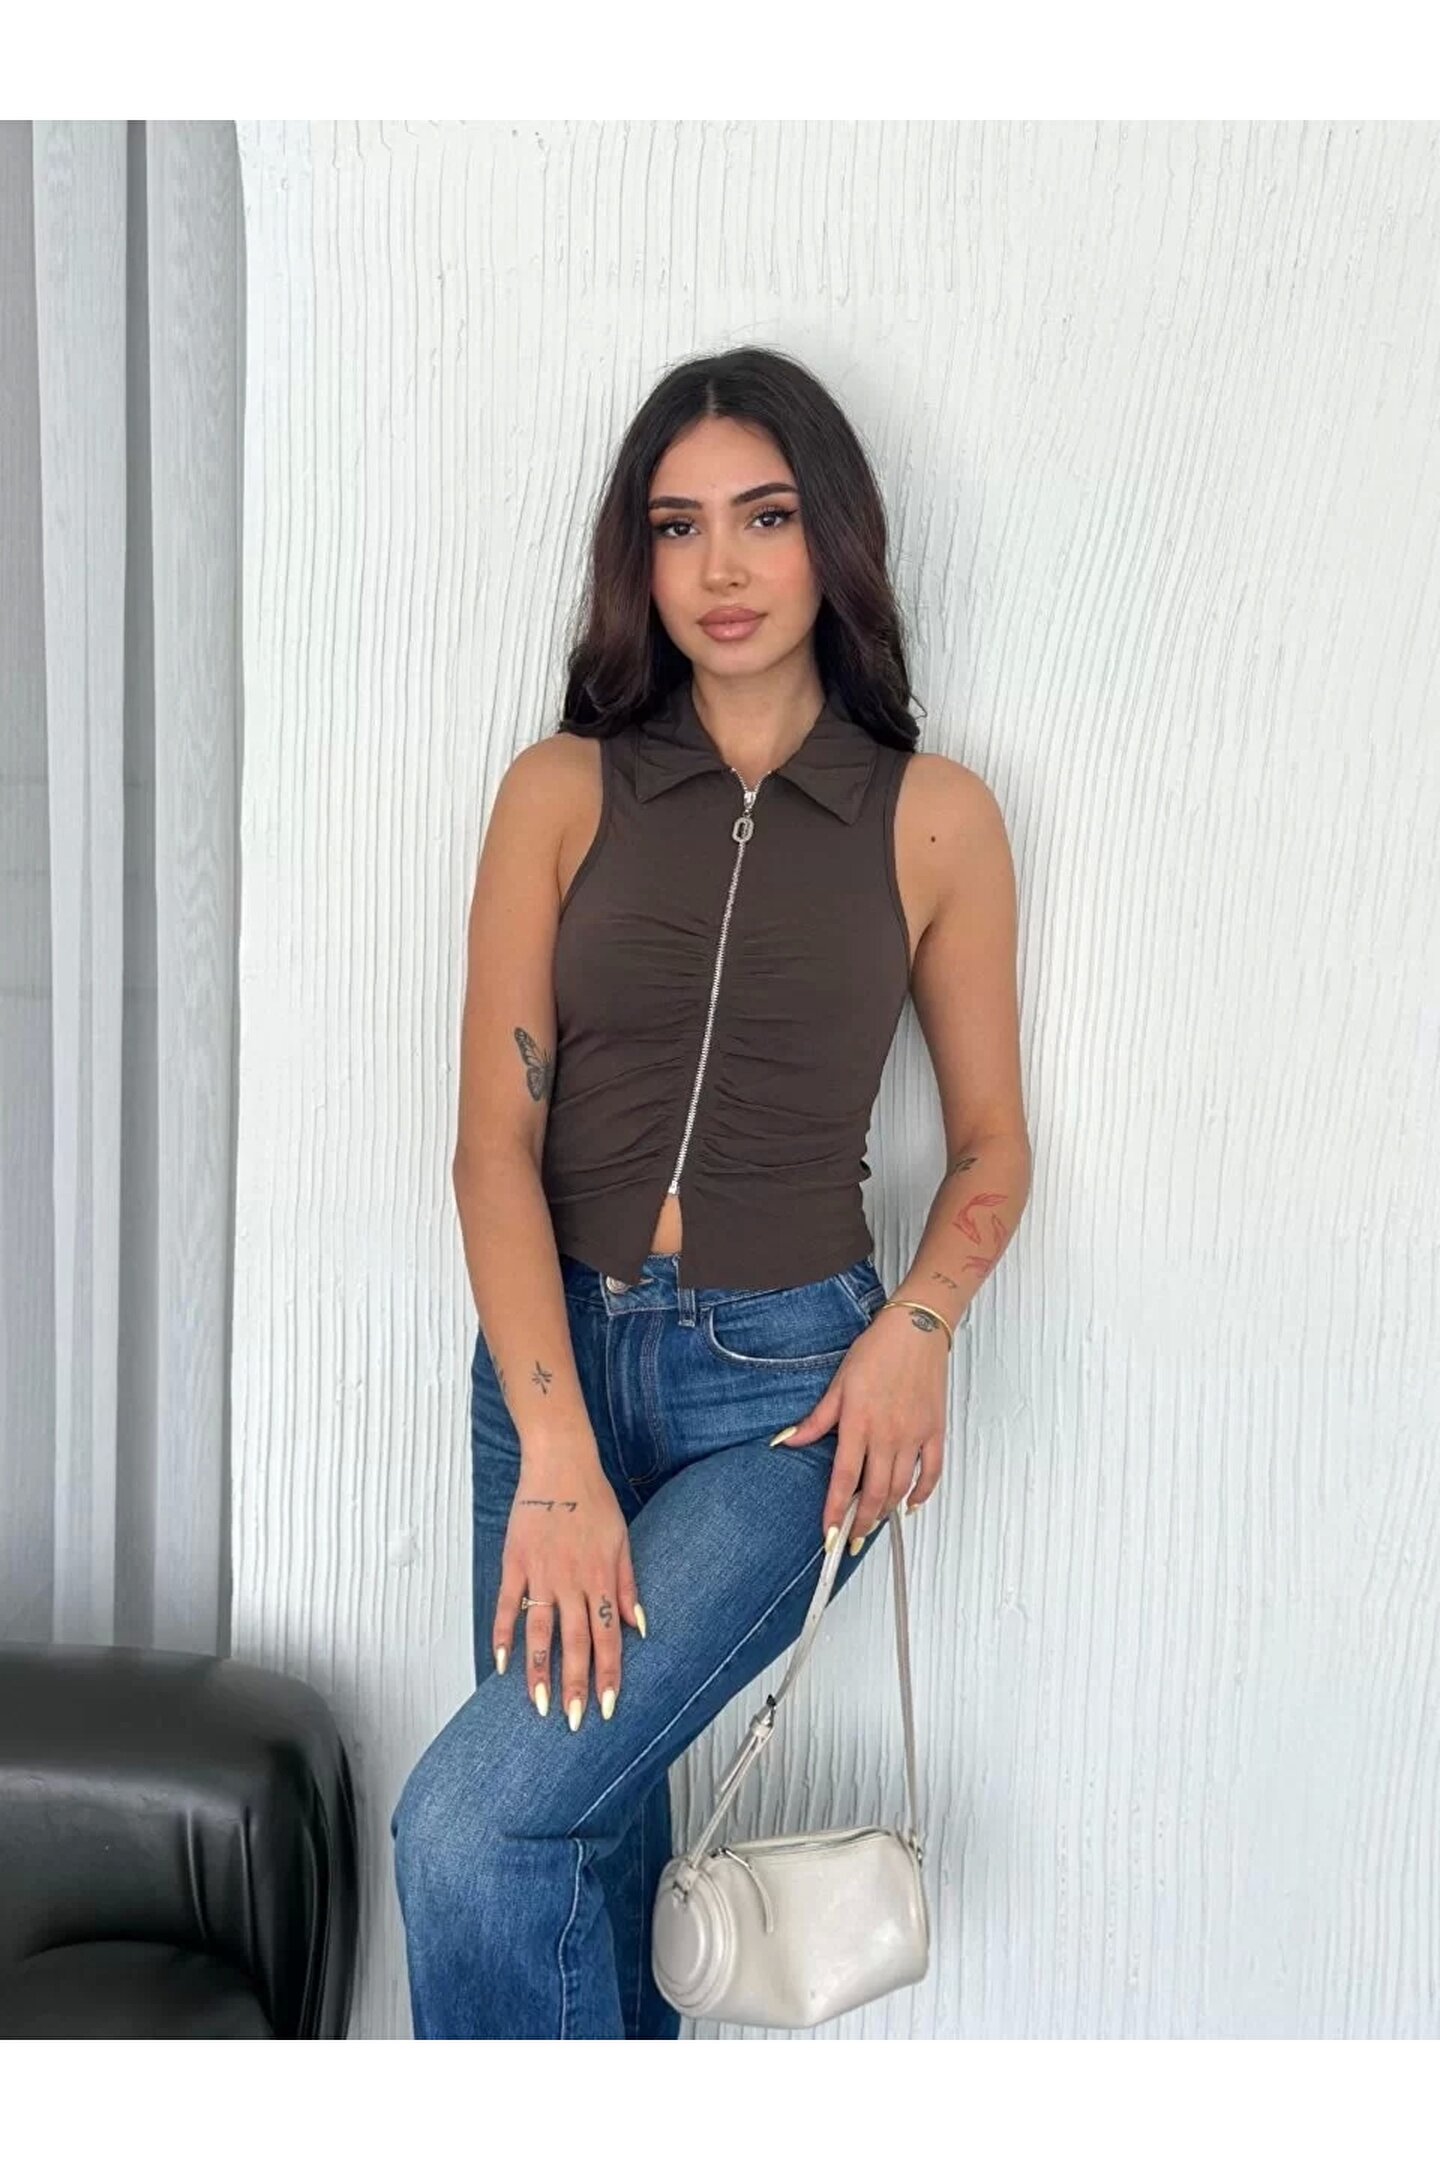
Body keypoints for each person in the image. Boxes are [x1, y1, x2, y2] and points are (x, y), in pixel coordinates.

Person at [390, 344, 1031, 2039]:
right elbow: (491, 1147)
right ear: (640, 559)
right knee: (564, 1844)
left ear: (834, 539)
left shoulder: (937, 821)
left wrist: (921, 1329)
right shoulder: (560, 790)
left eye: (765, 517)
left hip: (796, 1398)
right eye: (678, 528)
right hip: (549, 1366)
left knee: (474, 1827)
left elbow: (992, 1142)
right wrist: (555, 1450)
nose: (722, 568)